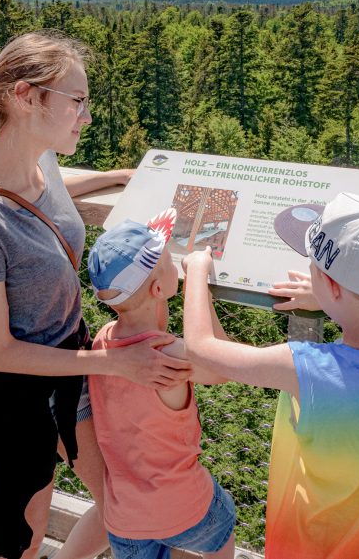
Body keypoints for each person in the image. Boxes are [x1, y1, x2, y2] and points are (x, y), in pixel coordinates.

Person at [0, 31, 191, 559]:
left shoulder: (39, 164)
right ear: (26, 96)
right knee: (15, 545)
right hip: (14, 405)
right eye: (77, 101)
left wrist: (119, 177)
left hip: (71, 378)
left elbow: (45, 195)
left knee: (120, 498)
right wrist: (115, 367)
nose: (87, 116)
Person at [184, 192, 359, 559]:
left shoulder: (308, 369)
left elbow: (200, 346)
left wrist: (196, 269)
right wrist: (352, 289)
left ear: (331, 286)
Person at [86, 209, 237, 559]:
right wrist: (197, 280)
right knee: (223, 520)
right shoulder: (166, 354)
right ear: (159, 288)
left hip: (125, 517)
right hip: (185, 507)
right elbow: (222, 365)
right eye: (170, 261)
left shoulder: (103, 342)